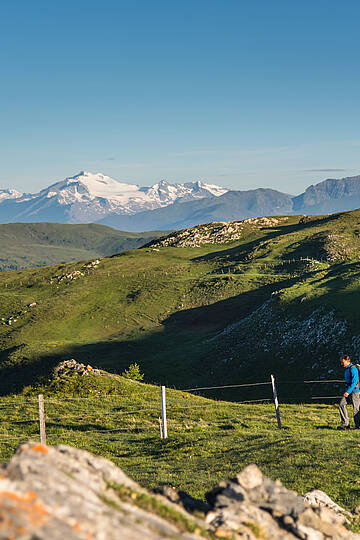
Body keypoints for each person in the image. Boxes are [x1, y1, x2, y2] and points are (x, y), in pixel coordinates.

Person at [338, 355, 360, 430]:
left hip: (355, 391)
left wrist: (348, 391)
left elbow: (354, 382)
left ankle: (358, 425)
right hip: (349, 391)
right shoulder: (347, 369)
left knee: (356, 408)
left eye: (343, 362)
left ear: (347, 361)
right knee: (341, 404)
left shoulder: (353, 369)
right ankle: (345, 423)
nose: (342, 364)